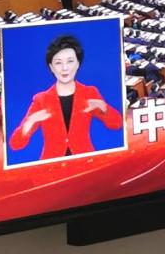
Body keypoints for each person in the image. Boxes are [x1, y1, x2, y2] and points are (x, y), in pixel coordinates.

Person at [8, 32, 124, 161]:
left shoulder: (89, 92)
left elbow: (117, 124)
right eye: (58, 63)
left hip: (85, 161)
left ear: (78, 64)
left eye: (70, 61)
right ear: (51, 67)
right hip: (52, 165)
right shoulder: (41, 99)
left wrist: (104, 108)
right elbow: (15, 144)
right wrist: (30, 122)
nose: (65, 68)